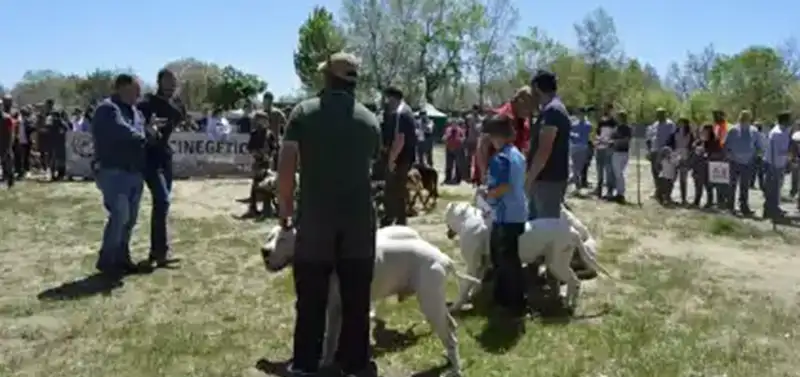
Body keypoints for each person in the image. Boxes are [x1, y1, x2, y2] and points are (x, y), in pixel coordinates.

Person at [277, 52, 380, 377]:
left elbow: (286, 167)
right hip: (359, 222)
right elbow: (372, 167)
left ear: (326, 77)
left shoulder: (303, 113)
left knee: (311, 299)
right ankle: (355, 363)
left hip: (317, 220)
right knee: (356, 299)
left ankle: (306, 364)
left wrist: (285, 210)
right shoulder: (369, 120)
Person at [90, 74, 147, 275]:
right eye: (135, 90)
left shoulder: (135, 112)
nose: (138, 95)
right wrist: (145, 136)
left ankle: (122, 258)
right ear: (121, 88)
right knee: (120, 213)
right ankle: (107, 260)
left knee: (130, 218)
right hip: (112, 171)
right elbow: (123, 132)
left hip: (134, 171)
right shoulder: (107, 109)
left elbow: (142, 132)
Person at [479, 113, 528, 315]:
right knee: (509, 259)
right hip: (518, 212)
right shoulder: (517, 154)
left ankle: (511, 302)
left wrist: (486, 194)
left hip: (505, 215)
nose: (490, 141)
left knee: (504, 261)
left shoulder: (500, 158)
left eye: (491, 137)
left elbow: (503, 187)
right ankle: (506, 298)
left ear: (497, 136)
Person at [138, 68, 186, 268]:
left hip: (165, 157)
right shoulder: (146, 104)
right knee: (162, 200)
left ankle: (159, 252)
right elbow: (136, 124)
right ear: (159, 82)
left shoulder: (177, 105)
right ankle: (158, 252)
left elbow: (181, 119)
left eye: (174, 83)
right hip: (149, 158)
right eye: (167, 82)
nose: (171, 86)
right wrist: (147, 128)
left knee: (162, 206)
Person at [526, 70, 571, 219]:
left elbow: (544, 150)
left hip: (548, 180)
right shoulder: (550, 109)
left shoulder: (553, 110)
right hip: (545, 178)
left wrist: (529, 178)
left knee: (547, 226)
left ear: (537, 88)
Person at [381, 86, 416, 226]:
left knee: (393, 189)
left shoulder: (400, 114)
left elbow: (400, 139)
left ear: (391, 97)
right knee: (398, 189)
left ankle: (392, 219)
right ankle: (398, 219)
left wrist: (391, 159)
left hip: (399, 159)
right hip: (403, 158)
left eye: (386, 98)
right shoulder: (406, 111)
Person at [723, 110, 759, 215]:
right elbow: (726, 145)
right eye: (743, 116)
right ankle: (730, 207)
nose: (745, 118)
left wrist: (755, 155)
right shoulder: (733, 130)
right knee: (732, 186)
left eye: (747, 117)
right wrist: (729, 156)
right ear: (740, 117)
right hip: (734, 162)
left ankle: (744, 207)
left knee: (745, 186)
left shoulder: (754, 130)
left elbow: (757, 145)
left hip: (748, 162)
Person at [763, 111, 792, 219]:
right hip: (774, 164)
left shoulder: (780, 131)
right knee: (773, 189)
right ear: (785, 120)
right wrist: (790, 154)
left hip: (777, 163)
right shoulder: (778, 133)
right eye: (789, 120)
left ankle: (773, 208)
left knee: (775, 188)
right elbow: (779, 151)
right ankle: (771, 210)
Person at [646, 107, 676, 195]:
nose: (659, 115)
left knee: (666, 173)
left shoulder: (670, 124)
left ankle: (666, 193)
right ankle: (658, 191)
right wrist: (649, 151)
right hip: (654, 151)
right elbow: (649, 138)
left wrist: (670, 151)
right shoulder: (654, 125)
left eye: (661, 113)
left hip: (665, 153)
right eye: (658, 113)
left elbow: (673, 138)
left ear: (665, 114)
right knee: (655, 172)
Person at [667, 117, 695, 204]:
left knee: (683, 179)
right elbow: (669, 145)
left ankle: (683, 199)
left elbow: (692, 147)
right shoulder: (673, 134)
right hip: (675, 156)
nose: (680, 125)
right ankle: (668, 196)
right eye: (679, 123)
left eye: (682, 123)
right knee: (672, 177)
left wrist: (690, 158)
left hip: (685, 157)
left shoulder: (690, 135)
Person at [609, 110, 632, 203]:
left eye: (619, 117)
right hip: (616, 152)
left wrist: (615, 141)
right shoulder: (616, 128)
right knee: (617, 173)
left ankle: (621, 193)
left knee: (619, 173)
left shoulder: (626, 128)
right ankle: (618, 192)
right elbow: (612, 138)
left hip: (622, 152)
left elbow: (626, 139)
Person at [594, 105, 616, 197]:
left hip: (608, 148)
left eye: (609, 109)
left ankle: (609, 190)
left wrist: (609, 142)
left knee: (608, 170)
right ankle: (599, 190)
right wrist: (597, 141)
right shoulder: (601, 121)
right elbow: (597, 133)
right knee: (599, 169)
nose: (607, 110)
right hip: (599, 147)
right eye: (606, 109)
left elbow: (614, 135)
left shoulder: (614, 122)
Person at [568, 106, 592, 192]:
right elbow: (570, 134)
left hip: (583, 147)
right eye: (579, 113)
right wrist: (573, 135)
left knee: (579, 167)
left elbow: (584, 135)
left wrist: (574, 135)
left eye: (582, 113)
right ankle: (576, 185)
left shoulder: (588, 124)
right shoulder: (574, 124)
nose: (580, 115)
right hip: (574, 146)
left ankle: (575, 182)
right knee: (573, 166)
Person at [442, 119, 465, 184]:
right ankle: (447, 178)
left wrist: (460, 140)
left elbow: (463, 138)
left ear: (457, 124)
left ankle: (458, 179)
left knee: (458, 165)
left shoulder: (460, 130)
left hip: (457, 149)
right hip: (449, 148)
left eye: (455, 124)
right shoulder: (448, 129)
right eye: (453, 124)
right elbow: (444, 137)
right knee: (448, 164)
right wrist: (444, 138)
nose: (454, 125)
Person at [1, 95, 16, 188]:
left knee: (8, 161)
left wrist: (9, 144)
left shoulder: (6, 118)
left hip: (5, 142)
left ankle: (10, 180)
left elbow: (11, 133)